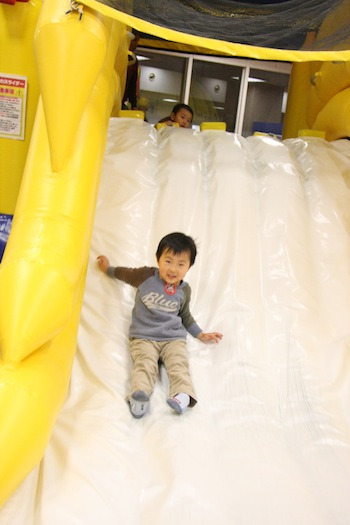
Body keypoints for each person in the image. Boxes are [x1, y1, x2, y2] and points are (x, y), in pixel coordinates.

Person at [97, 232, 223, 419]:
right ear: (158, 259)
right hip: (143, 336)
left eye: (181, 264)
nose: (173, 269)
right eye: (168, 261)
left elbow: (185, 316)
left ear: (189, 267)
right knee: (145, 364)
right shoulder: (145, 276)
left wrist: (200, 334)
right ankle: (139, 396)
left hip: (173, 339)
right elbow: (124, 273)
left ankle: (182, 396)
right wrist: (108, 269)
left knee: (178, 365)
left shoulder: (184, 290)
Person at [122, 30, 141, 110]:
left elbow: (132, 85)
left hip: (121, 100)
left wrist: (134, 105)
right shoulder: (119, 55)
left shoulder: (134, 61)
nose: (136, 44)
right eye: (134, 41)